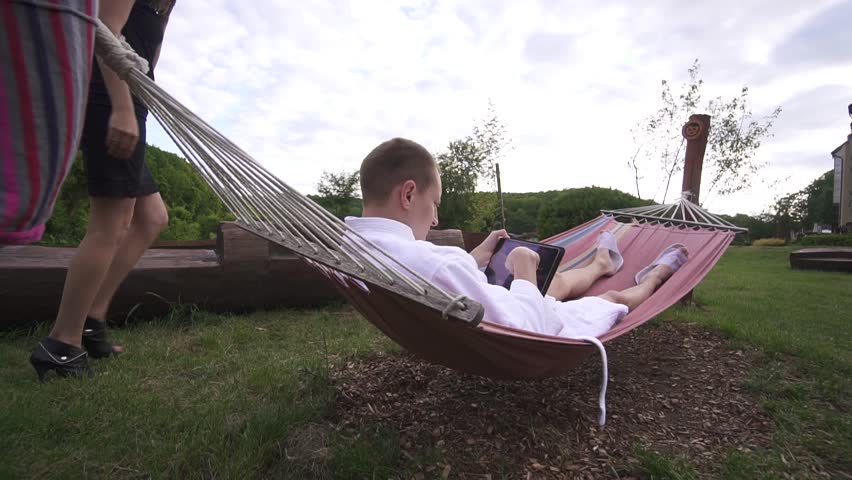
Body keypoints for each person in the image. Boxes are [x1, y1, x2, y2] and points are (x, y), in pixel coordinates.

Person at [345, 138, 689, 339]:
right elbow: (527, 326)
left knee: (561, 284)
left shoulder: (352, 247)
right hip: (522, 319)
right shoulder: (435, 264)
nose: (436, 217)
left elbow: (443, 274)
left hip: (474, 301)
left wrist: (475, 258)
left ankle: (600, 262)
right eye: (433, 203)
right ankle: (656, 274)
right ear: (407, 195)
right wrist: (525, 273)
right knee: (612, 296)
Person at [29, 0, 176, 382]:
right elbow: (104, 32)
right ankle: (61, 343)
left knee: (151, 217)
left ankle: (91, 320)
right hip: (108, 98)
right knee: (110, 224)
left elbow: (148, 55)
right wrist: (122, 108)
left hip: (134, 101)